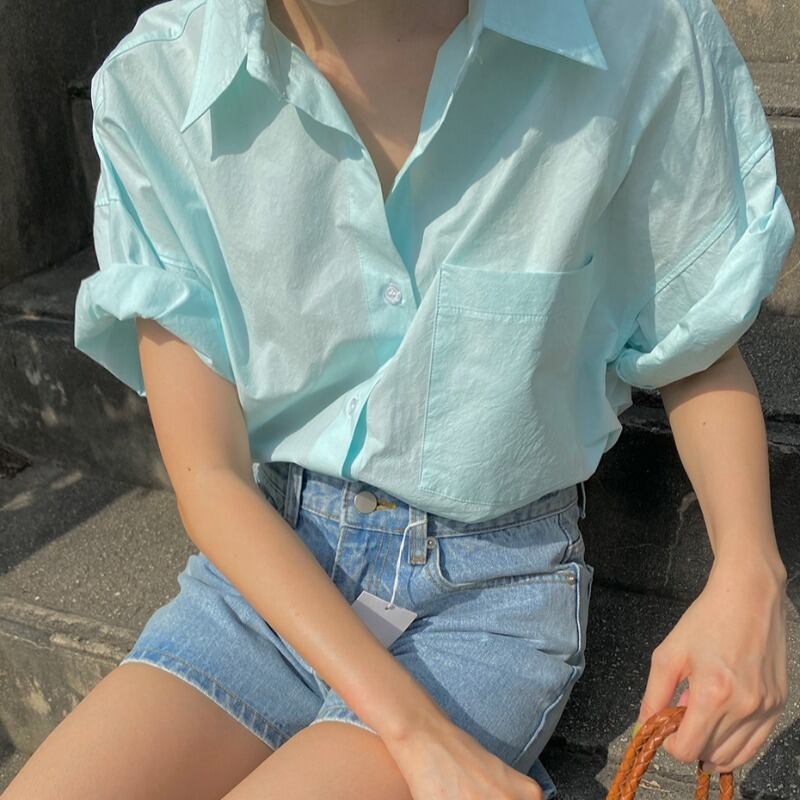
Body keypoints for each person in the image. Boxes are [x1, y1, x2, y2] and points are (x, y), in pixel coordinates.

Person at [5, 0, 793, 797]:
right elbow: (207, 473)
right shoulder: (163, 80)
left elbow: (695, 344)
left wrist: (748, 576)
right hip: (268, 573)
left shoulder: (635, 34)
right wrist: (415, 732)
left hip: (486, 598)